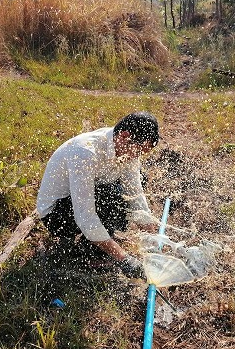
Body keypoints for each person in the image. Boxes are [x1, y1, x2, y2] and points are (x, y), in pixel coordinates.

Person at [36, 112, 160, 278]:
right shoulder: (85, 153)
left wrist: (151, 234)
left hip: (81, 199)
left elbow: (135, 193)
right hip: (56, 215)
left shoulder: (123, 145)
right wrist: (124, 258)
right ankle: (91, 255)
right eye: (137, 152)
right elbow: (85, 217)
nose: (136, 157)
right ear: (124, 136)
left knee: (138, 179)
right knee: (111, 197)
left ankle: (101, 239)